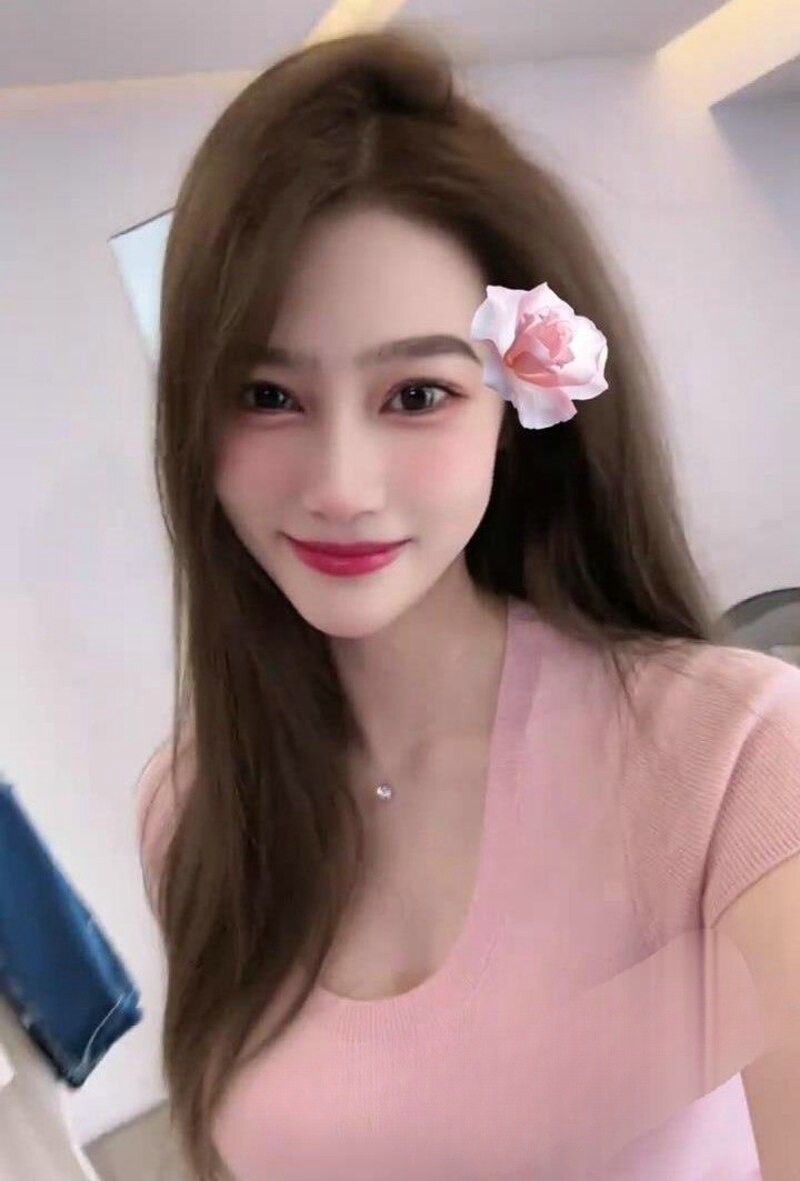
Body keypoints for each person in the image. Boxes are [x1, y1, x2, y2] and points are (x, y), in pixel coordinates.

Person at [134, 27, 800, 1181]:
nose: (340, 485)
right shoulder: (194, 804)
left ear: (516, 409)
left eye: (414, 393)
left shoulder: (730, 760)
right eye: (266, 394)